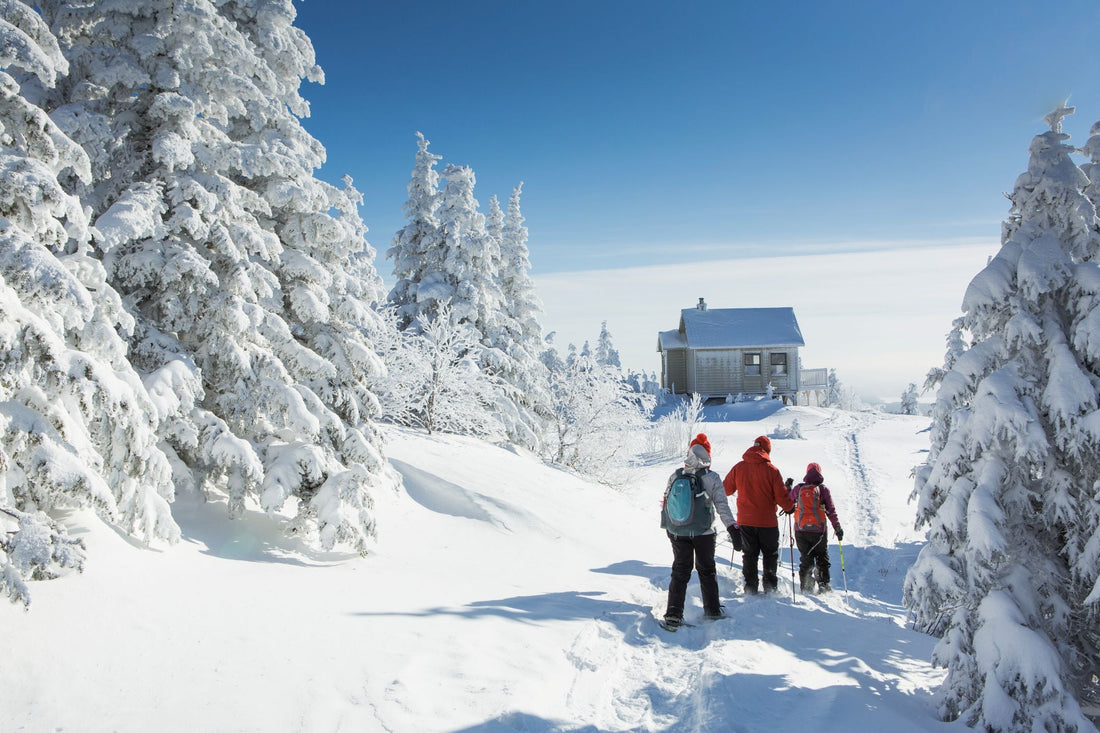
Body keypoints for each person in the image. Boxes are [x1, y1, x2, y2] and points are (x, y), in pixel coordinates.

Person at [660, 443, 738, 627]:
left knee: (680, 571)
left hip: (678, 531)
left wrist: (668, 528)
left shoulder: (676, 475)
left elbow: (665, 501)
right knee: (707, 570)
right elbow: (722, 506)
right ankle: (712, 610)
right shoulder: (712, 478)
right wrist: (732, 527)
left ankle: (673, 614)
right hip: (704, 532)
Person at [723, 435, 795, 594]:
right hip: (767, 522)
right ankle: (770, 588)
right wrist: (790, 508)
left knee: (749, 555)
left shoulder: (738, 467)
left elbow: (726, 489)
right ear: (767, 450)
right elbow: (781, 496)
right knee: (770, 555)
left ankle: (750, 587)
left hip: (745, 521)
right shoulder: (772, 471)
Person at [789, 462, 843, 593]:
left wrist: (788, 489)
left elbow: (787, 504)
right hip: (819, 532)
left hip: (801, 531)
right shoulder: (823, 490)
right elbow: (831, 511)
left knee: (805, 559)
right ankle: (823, 585)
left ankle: (806, 587)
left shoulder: (798, 489)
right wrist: (837, 527)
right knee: (822, 557)